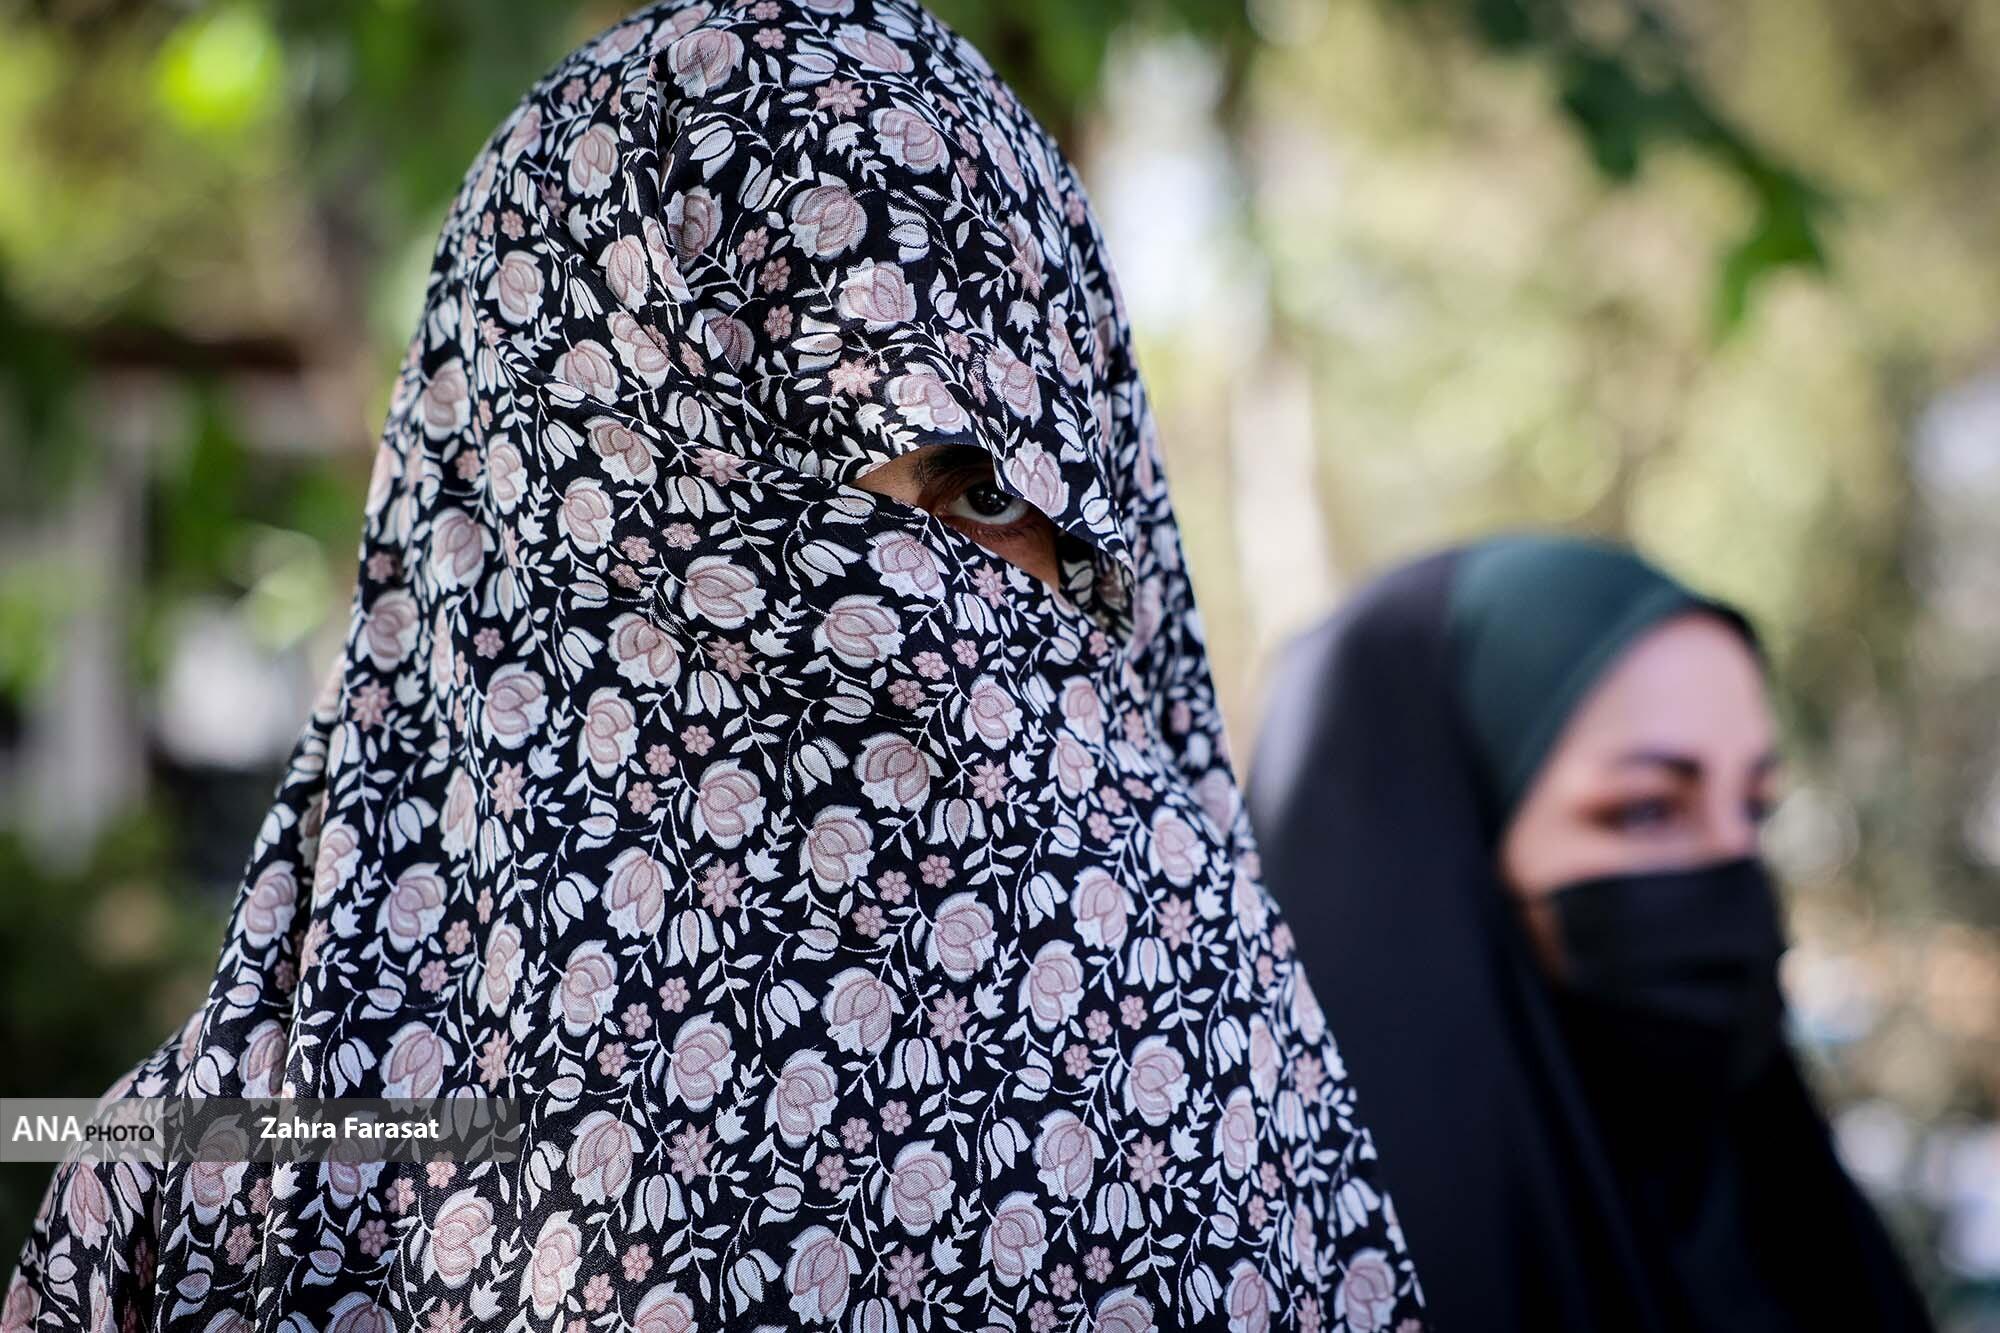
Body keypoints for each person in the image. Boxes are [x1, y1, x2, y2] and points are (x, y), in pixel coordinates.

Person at [3, 3, 1426, 1329]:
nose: (907, 605)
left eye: (987, 498)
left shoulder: (1227, 1076)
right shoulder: (213, 1192)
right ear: (559, 518)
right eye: (772, 498)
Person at [1246, 532, 1933, 1333]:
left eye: (1756, 807)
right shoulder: (1315, 1290)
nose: (1734, 868)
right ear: (1431, 852)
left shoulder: (1795, 1229)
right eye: (1645, 808)